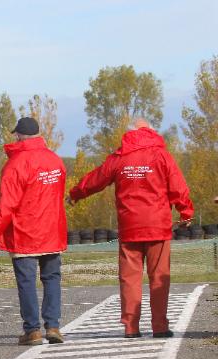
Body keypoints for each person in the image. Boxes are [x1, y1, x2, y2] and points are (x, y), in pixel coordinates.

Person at [68, 118, 194, 338]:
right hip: (158, 226)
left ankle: (131, 327)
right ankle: (160, 327)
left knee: (129, 278)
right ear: (151, 132)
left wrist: (75, 194)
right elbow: (177, 185)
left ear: (132, 133)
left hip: (130, 227)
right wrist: (186, 211)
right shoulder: (162, 155)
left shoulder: (120, 156)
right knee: (159, 277)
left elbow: (96, 179)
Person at [0, 117, 68, 345]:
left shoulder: (15, 164)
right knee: (52, 279)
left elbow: (6, 207)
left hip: (24, 233)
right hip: (52, 232)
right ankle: (54, 326)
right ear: (39, 134)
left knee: (27, 282)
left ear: (18, 135)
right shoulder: (56, 161)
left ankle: (33, 330)